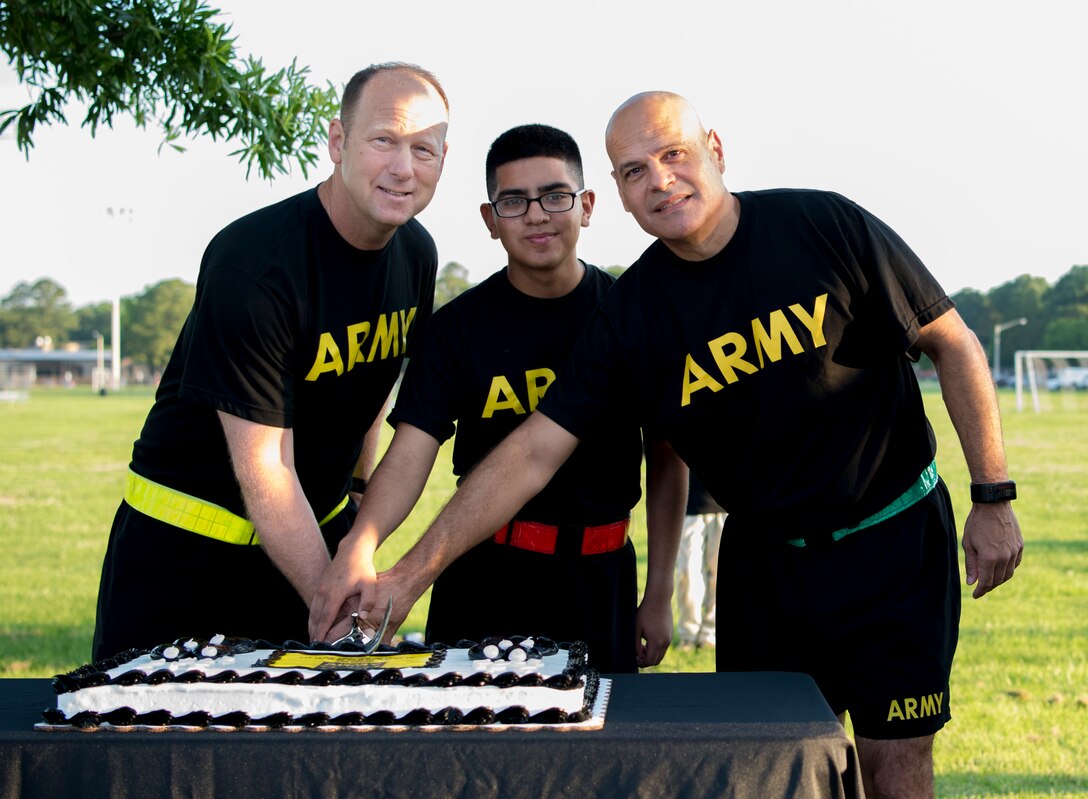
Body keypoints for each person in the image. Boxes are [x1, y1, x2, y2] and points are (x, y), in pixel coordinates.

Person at [321, 91, 1023, 797]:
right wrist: (407, 576)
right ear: (619, 195)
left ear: (714, 150)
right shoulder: (632, 315)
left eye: (673, 155)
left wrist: (992, 494)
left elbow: (950, 340)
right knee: (766, 768)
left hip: (889, 538)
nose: (659, 180)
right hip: (764, 564)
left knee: (895, 764)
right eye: (634, 170)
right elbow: (533, 449)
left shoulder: (820, 223)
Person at [91, 62, 450, 661]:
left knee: (304, 749)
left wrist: (357, 502)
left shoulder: (415, 251)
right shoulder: (255, 263)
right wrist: (336, 609)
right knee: (156, 750)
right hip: (188, 556)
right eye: (383, 139)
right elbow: (266, 466)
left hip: (312, 542)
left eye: (424, 149)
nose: (403, 167)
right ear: (337, 142)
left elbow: (369, 386)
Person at [309, 124, 686, 672]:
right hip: (486, 575)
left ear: (586, 205)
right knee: (471, 751)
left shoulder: (630, 316)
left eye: (555, 196)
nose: (536, 215)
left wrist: (658, 593)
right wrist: (360, 544)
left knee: (598, 751)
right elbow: (412, 453)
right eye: (513, 201)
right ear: (491, 220)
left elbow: (668, 458)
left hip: (603, 575)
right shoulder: (458, 329)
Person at [675, 471, 724, 649]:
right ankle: (689, 633)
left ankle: (710, 632)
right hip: (690, 504)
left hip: (723, 504)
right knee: (687, 570)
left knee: (719, 572)